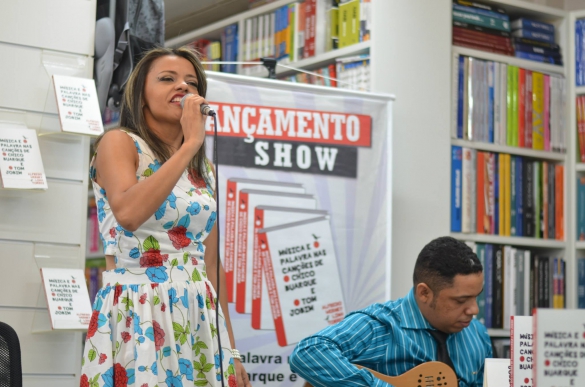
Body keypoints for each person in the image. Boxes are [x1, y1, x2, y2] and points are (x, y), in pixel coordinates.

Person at [80, 46, 251, 387]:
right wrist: (190, 144)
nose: (182, 87)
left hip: (198, 309)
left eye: (191, 82)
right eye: (167, 79)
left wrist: (230, 350)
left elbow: (211, 264)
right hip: (140, 306)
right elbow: (128, 213)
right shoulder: (119, 143)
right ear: (140, 95)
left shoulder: (204, 169)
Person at [290, 236, 492, 387]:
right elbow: (307, 352)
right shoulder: (380, 326)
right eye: (461, 300)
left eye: (477, 296)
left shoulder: (477, 335)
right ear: (424, 293)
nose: (474, 309)